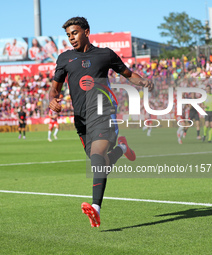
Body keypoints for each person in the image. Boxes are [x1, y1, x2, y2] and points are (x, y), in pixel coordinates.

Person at [49, 17, 154, 228]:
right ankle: (122, 147)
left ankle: (96, 208)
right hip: (81, 119)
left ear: (86, 32)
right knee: (101, 162)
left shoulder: (105, 54)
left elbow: (127, 73)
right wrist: (53, 99)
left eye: (75, 33)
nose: (71, 38)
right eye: (68, 35)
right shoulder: (64, 58)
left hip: (103, 112)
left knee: (97, 158)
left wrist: (143, 81)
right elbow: (55, 87)